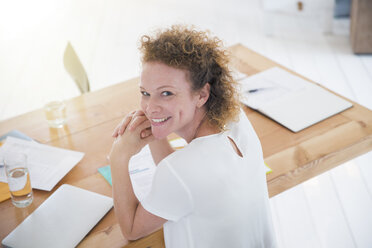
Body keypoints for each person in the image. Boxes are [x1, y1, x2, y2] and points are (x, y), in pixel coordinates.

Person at [109, 25, 277, 248]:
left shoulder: (180, 171)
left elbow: (131, 230)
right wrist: (157, 129)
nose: (150, 107)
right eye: (145, 93)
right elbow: (183, 181)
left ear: (202, 95)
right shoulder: (236, 119)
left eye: (166, 93)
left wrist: (118, 157)